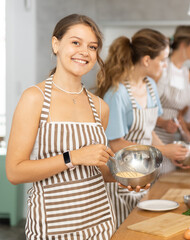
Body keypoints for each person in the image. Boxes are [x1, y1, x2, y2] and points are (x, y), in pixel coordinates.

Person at [4, 14, 134, 239]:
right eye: (76, 42)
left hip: (100, 222)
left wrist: (126, 178)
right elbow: (15, 171)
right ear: (56, 44)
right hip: (53, 226)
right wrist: (72, 157)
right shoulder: (35, 98)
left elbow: (97, 168)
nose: (85, 51)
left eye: (92, 47)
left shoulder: (99, 107)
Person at [96, 28, 188, 227]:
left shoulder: (150, 87)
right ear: (147, 60)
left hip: (144, 174)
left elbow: (148, 130)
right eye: (163, 60)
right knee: (125, 231)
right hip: (122, 179)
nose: (165, 66)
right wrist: (164, 151)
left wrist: (172, 154)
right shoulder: (117, 94)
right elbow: (116, 143)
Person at [154, 25, 190, 172]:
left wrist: (189, 139)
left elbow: (178, 114)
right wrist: (162, 123)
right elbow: (141, 109)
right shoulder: (161, 67)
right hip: (152, 137)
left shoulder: (185, 73)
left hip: (171, 140)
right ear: (183, 45)